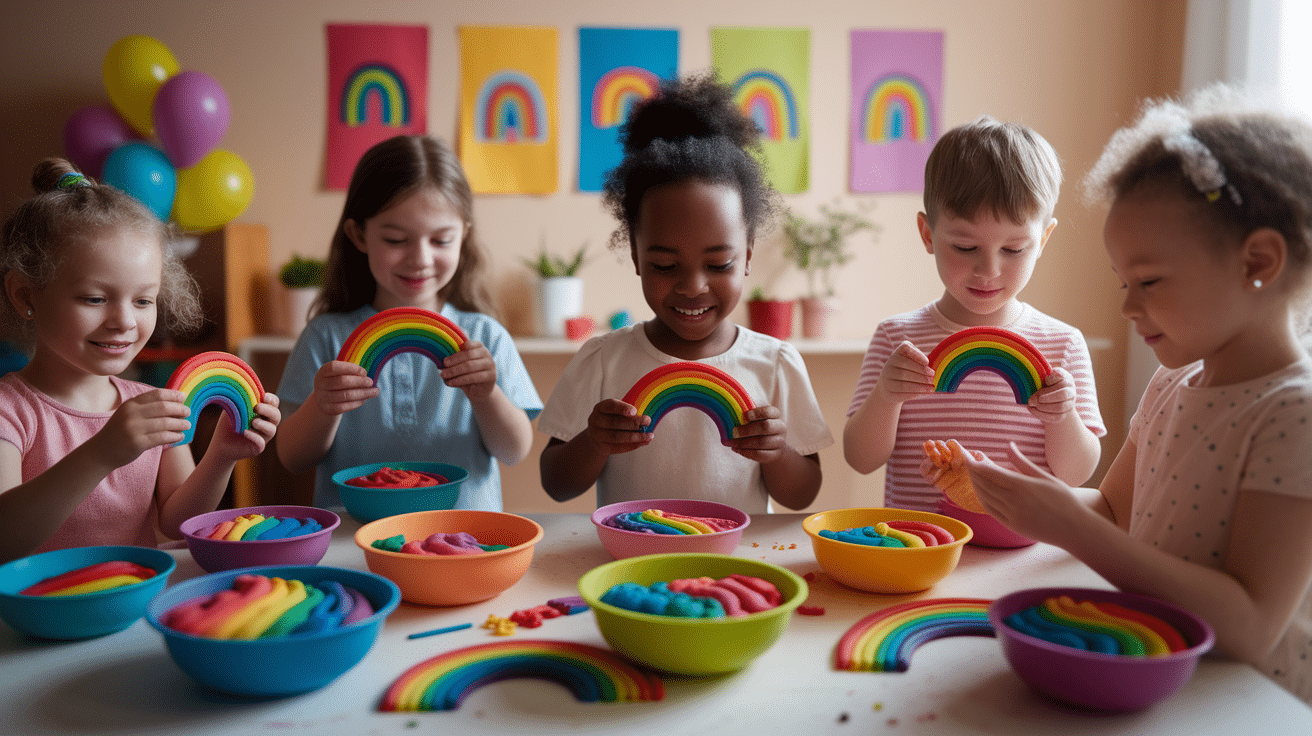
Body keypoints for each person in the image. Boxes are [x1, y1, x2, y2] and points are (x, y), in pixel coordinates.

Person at [960, 86, 1312, 704]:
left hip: (1246, 703)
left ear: (1258, 261)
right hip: (1151, 677)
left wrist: (1071, 528)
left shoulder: (1294, 413)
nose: (1127, 305)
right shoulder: (1173, 381)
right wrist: (1026, 500)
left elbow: (1251, 627)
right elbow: (1114, 512)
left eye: (1147, 280)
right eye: (1124, 281)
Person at [537, 73, 832, 513]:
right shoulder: (603, 360)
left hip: (734, 569)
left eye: (718, 264)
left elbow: (804, 493)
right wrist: (593, 442)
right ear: (636, 256)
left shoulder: (774, 364)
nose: (693, 286)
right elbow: (556, 483)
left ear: (747, 256)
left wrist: (778, 453)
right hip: (633, 563)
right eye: (664, 265)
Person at [0, 159, 281, 562]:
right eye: (95, 298)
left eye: (143, 300)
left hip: (135, 610)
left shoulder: (150, 403)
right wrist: (100, 454)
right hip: (39, 620)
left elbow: (179, 524)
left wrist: (221, 456)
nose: (125, 322)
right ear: (27, 296)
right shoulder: (10, 413)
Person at [844, 117, 1105, 511]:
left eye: (1014, 249)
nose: (989, 270)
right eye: (965, 247)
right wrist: (886, 396)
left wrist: (1063, 416)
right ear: (928, 235)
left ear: (1043, 240)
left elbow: (1077, 473)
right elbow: (861, 460)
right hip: (920, 547)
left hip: (1018, 554)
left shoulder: (1062, 344)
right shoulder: (896, 338)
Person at [276, 135, 541, 511]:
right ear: (358, 235)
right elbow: (292, 458)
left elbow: (515, 451)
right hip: (354, 541)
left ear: (463, 235)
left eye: (441, 240)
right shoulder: (326, 337)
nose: (420, 258)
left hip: (463, 540)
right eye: (396, 239)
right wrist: (323, 405)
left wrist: (487, 394)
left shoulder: (484, 336)